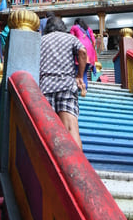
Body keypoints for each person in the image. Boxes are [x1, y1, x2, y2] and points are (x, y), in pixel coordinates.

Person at [39, 16, 87, 148]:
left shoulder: (41, 40)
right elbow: (82, 51)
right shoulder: (70, 38)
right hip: (66, 85)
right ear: (63, 27)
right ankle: (76, 162)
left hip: (45, 86)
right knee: (71, 128)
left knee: (48, 129)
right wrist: (80, 76)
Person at [70, 17, 97, 89]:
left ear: (76, 23)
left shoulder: (74, 27)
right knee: (84, 71)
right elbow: (94, 42)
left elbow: (71, 39)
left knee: (77, 71)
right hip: (90, 52)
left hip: (80, 49)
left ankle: (79, 88)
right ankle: (85, 88)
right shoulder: (89, 29)